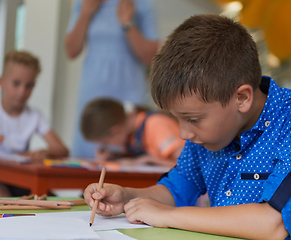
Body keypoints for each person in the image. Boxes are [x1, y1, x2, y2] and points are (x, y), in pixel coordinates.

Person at [83, 14, 291, 239]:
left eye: (193, 119)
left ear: (241, 98)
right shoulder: (207, 133)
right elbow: (176, 190)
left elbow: (272, 224)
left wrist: (169, 215)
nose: (184, 133)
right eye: (178, 119)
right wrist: (127, 196)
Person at [65, 0, 159, 159]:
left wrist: (127, 22)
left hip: (128, 94)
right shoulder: (84, 3)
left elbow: (151, 58)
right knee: (89, 157)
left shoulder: (142, 4)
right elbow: (71, 51)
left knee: (127, 158)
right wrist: (86, 12)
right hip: (93, 93)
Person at [0, 50, 69, 196]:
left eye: (29, 85)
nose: (22, 91)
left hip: (22, 179)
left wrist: (45, 152)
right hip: (2, 179)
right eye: (16, 83)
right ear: (2, 82)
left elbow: (62, 150)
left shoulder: (34, 115)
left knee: (49, 201)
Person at [80, 98, 184, 167]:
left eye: (105, 143)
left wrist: (146, 161)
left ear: (116, 131)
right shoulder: (130, 136)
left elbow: (185, 163)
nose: (107, 146)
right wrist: (114, 156)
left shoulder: (156, 124)